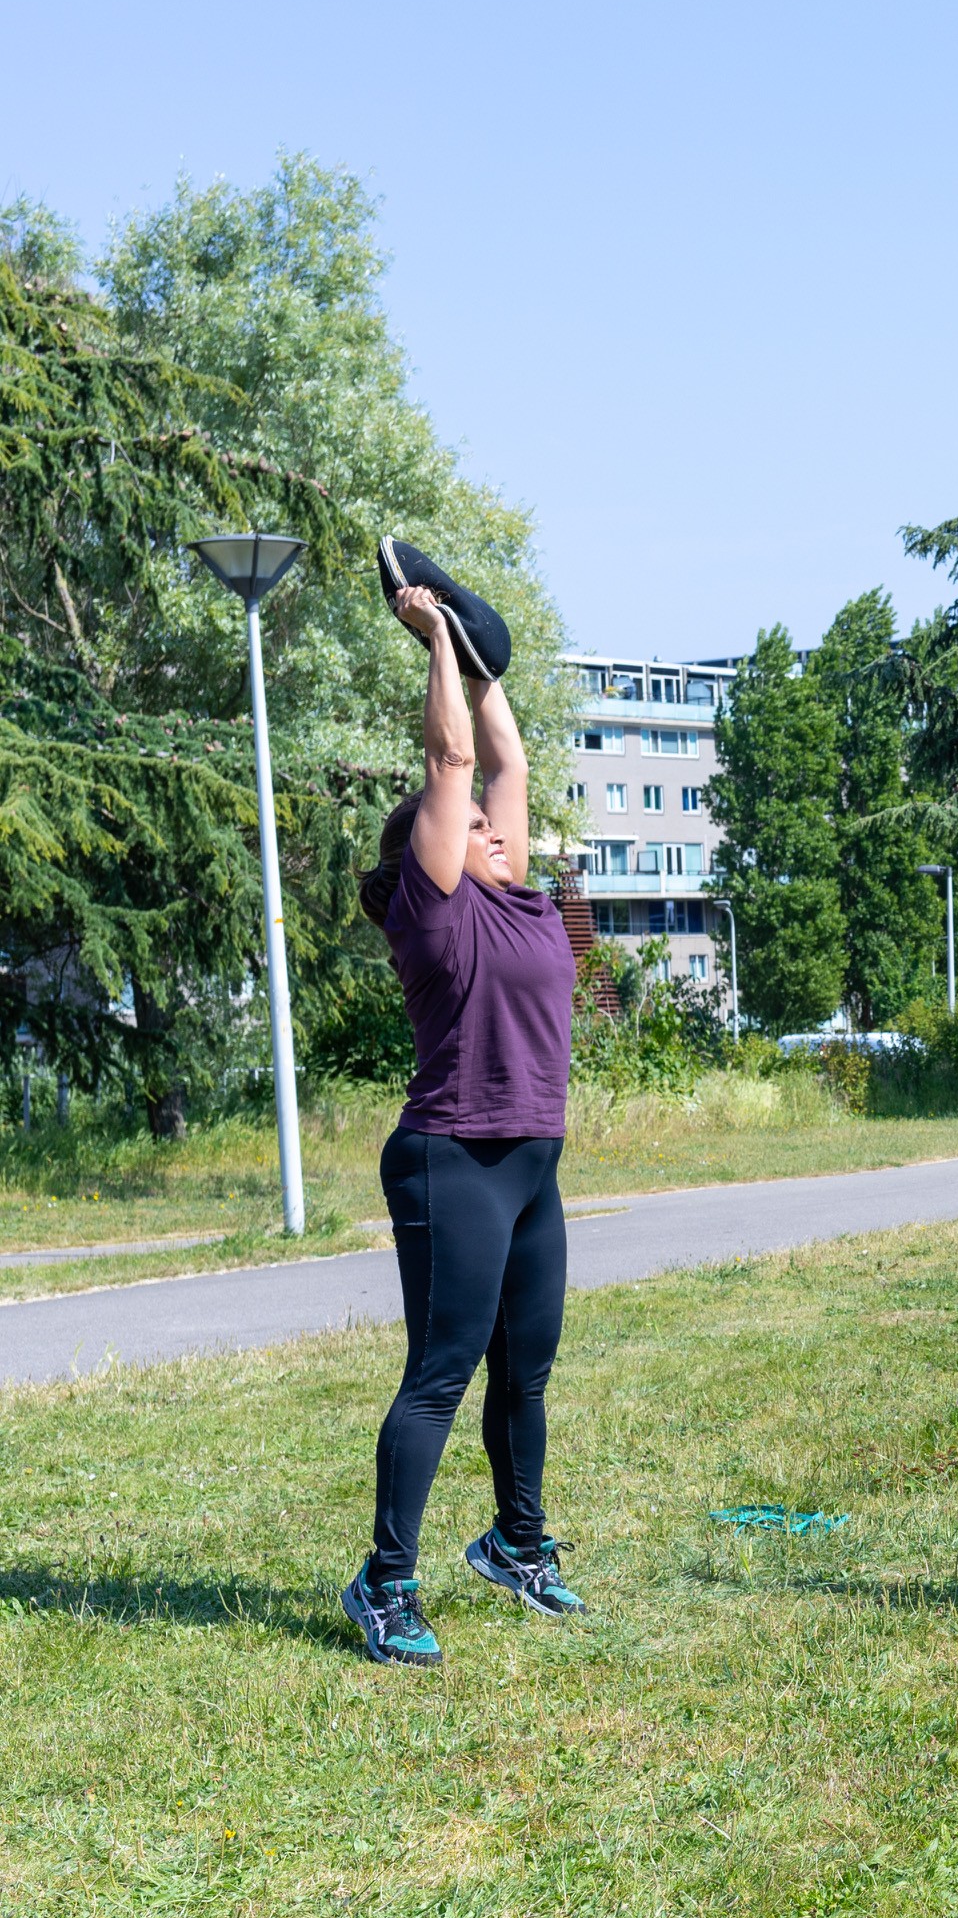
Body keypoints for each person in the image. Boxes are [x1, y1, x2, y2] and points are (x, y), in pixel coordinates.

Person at [342, 555, 585, 1669]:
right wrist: (433, 636)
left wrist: (487, 662)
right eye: (468, 825)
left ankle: (516, 1544)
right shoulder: (437, 913)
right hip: (452, 1157)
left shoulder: (523, 898)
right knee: (440, 1373)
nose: (493, 823)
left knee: (524, 1367)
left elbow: (504, 755)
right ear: (429, 854)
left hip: (531, 1162)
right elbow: (449, 759)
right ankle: (385, 1582)